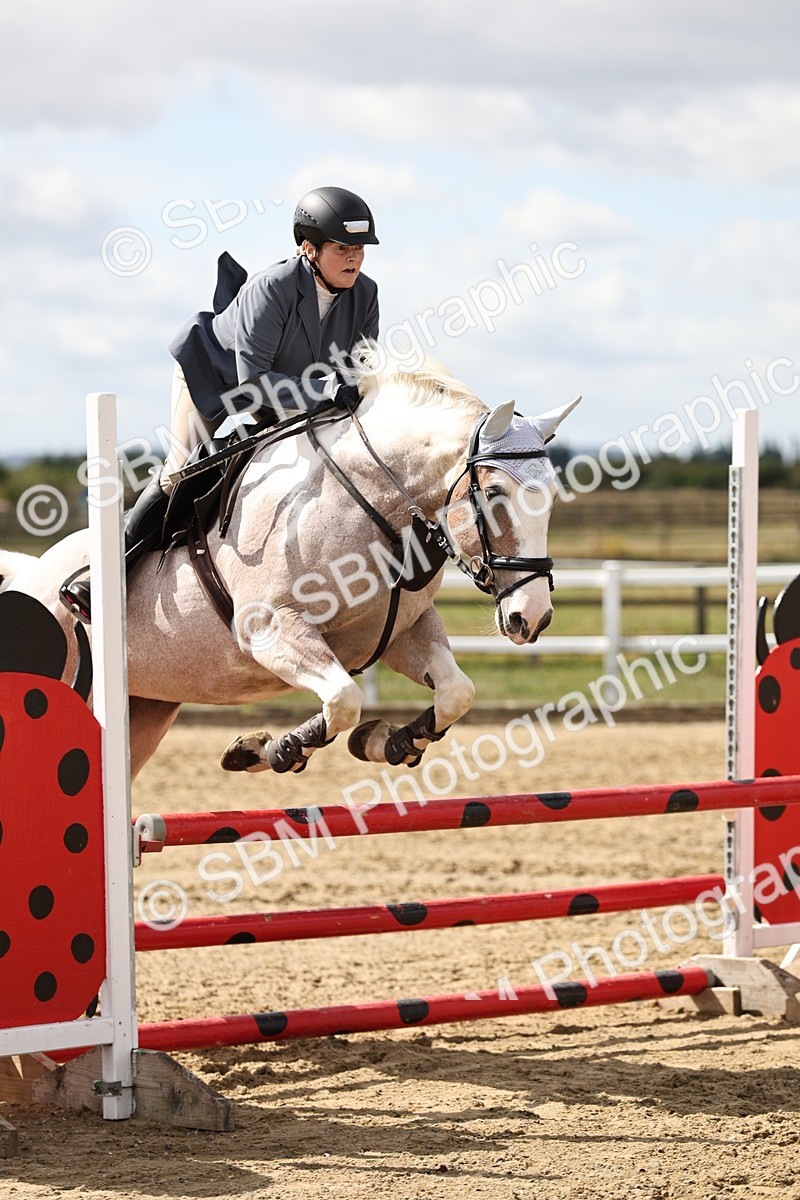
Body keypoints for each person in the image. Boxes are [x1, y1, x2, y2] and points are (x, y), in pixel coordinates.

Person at [61, 186, 380, 621]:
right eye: (342, 248)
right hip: (214, 377)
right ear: (309, 248)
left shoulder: (366, 294)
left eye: (359, 249)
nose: (354, 259)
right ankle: (104, 577)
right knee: (182, 469)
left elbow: (357, 367)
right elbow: (253, 386)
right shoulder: (272, 288)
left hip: (290, 390)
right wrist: (326, 390)